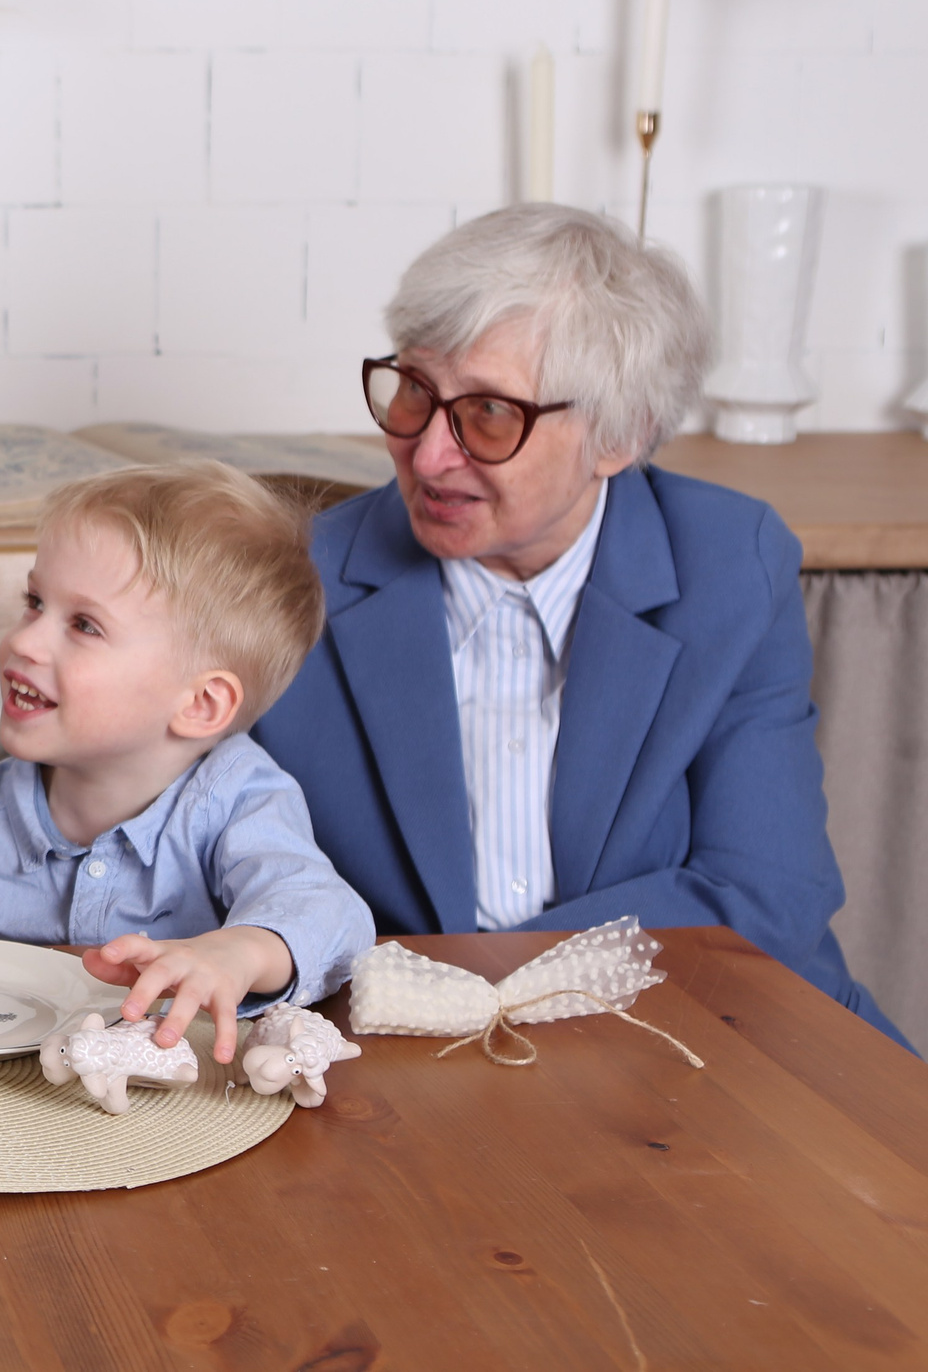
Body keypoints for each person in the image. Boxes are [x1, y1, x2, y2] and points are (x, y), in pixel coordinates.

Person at [253, 204, 905, 1044]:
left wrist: (473, 981)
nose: (427, 454)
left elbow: (763, 895)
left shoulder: (729, 563)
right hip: (404, 1046)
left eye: (489, 414)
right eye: (414, 391)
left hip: (707, 1025)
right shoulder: (298, 577)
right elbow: (225, 868)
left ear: (618, 436)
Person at [0, 462, 374, 1062]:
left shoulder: (238, 800)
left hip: (190, 1114)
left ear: (201, 704)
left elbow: (330, 913)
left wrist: (236, 952)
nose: (23, 642)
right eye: (34, 602)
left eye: (84, 625)